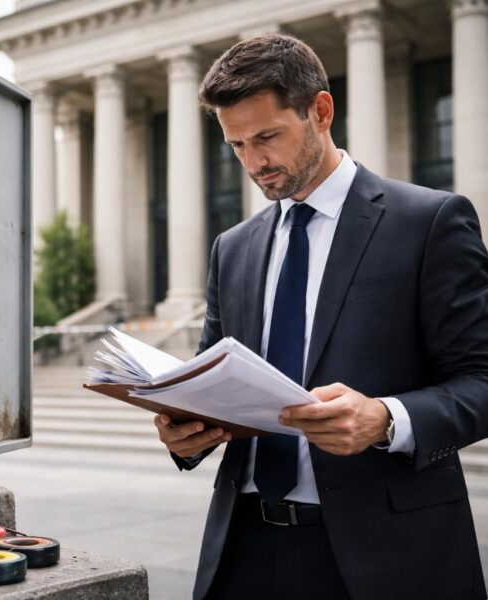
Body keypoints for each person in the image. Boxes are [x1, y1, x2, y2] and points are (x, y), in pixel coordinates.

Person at [154, 33, 488, 600]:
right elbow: (212, 383)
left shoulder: (429, 221)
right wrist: (186, 434)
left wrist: (386, 418)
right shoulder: (231, 248)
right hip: (243, 552)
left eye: (267, 137)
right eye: (236, 145)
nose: (254, 163)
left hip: (387, 557)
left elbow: (480, 380)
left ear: (321, 111)